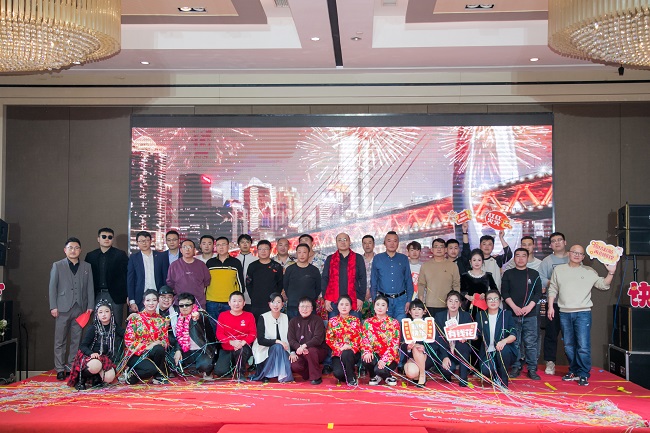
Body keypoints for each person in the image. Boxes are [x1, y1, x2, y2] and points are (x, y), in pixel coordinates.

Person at [547, 244, 616, 387]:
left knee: (583, 345)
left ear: (584, 257)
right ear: (569, 253)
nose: (577, 255)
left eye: (580, 254)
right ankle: (573, 370)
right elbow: (553, 288)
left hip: (583, 313)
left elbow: (603, 285)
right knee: (568, 345)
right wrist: (550, 307)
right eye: (574, 252)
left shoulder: (589, 271)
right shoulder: (559, 270)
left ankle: (583, 373)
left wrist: (611, 273)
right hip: (564, 312)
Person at [49, 237, 95, 381]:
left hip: (80, 308)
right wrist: (53, 306)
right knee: (60, 340)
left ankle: (71, 366)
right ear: (65, 250)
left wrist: (90, 306)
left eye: (76, 248)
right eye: (70, 248)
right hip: (62, 308)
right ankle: (59, 368)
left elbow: (90, 287)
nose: (73, 250)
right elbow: (52, 287)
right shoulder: (58, 265)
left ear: (80, 250)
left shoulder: (86, 266)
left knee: (77, 339)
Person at [502, 248, 542, 380]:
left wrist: (529, 307)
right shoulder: (508, 273)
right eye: (517, 256)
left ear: (527, 258)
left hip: (530, 314)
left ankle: (532, 368)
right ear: (514, 258)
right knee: (515, 342)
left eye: (523, 256)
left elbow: (538, 293)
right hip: (512, 313)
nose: (520, 258)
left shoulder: (534, 274)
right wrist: (514, 307)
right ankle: (516, 366)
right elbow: (505, 293)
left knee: (531, 343)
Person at [68, 299, 123, 390]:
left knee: (110, 377)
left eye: (106, 311)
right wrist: (91, 353)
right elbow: (82, 346)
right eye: (100, 312)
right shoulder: (93, 328)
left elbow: (127, 333)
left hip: (103, 357)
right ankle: (81, 379)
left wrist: (134, 319)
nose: (104, 314)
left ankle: (96, 378)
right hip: (89, 357)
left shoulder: (114, 327)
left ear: (111, 313)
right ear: (97, 315)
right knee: (96, 364)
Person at [538, 232, 569, 376]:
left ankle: (574, 363)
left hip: (571, 304)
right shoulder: (547, 261)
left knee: (571, 336)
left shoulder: (573, 257)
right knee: (551, 334)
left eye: (559, 240)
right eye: (554, 241)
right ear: (550, 245)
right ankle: (550, 362)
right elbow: (541, 279)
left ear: (565, 242)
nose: (557, 243)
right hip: (553, 303)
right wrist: (554, 282)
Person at [123, 289, 170, 384]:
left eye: (154, 300)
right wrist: (147, 347)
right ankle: (131, 372)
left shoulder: (161, 320)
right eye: (148, 300)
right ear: (144, 302)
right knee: (150, 369)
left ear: (157, 302)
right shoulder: (135, 318)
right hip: (135, 354)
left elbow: (165, 340)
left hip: (152, 354)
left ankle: (157, 376)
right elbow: (128, 341)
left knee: (159, 349)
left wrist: (159, 343)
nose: (151, 303)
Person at [85, 227, 129, 326]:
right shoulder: (90, 256)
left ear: (112, 239)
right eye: (104, 236)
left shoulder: (120, 255)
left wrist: (128, 294)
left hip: (115, 296)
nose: (107, 239)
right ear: (98, 239)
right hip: (97, 295)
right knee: (97, 325)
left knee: (116, 324)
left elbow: (127, 275)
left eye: (110, 237)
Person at [475, 290, 517, 388]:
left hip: (504, 351)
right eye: (490, 299)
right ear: (486, 301)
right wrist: (469, 335)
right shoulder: (480, 315)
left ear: (500, 300)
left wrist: (504, 341)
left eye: (495, 299)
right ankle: (495, 374)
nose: (493, 301)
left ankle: (503, 382)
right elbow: (477, 334)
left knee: (503, 351)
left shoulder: (506, 315)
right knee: (485, 371)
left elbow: (514, 335)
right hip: (488, 352)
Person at [371, 231, 414, 321]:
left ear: (398, 243)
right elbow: (374, 281)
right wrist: (375, 300)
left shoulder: (403, 258)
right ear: (384, 243)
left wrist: (408, 300)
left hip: (401, 301)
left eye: (395, 241)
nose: (392, 243)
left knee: (400, 324)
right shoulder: (378, 258)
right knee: (385, 326)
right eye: (389, 241)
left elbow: (408, 280)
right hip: (383, 300)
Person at [172, 292, 216, 380]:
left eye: (187, 305)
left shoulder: (198, 315)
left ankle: (199, 368)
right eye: (181, 305)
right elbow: (178, 337)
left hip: (202, 350)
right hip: (186, 351)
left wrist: (199, 315)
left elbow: (203, 318)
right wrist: (178, 350)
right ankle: (192, 367)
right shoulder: (178, 318)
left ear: (193, 305)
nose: (184, 307)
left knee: (204, 365)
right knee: (170, 358)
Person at [322, 233, 366, 318]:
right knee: (334, 326)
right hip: (333, 302)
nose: (342, 242)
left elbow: (363, 279)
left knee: (354, 326)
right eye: (340, 240)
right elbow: (324, 279)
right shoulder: (330, 259)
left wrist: (361, 298)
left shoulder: (358, 258)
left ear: (350, 242)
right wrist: (326, 298)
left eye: (345, 240)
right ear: (336, 243)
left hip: (354, 301)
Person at [214, 291, 257, 381]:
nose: (237, 303)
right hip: (227, 347)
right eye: (234, 301)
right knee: (220, 371)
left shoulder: (249, 316)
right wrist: (231, 342)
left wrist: (242, 342)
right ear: (229, 303)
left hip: (243, 347)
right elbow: (219, 334)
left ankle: (240, 373)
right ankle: (233, 367)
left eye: (239, 301)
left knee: (241, 351)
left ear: (244, 303)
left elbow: (253, 334)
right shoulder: (223, 315)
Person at [251, 293, 293, 383]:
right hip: (265, 350)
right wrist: (278, 341)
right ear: (269, 304)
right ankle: (272, 374)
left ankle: (280, 373)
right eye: (273, 302)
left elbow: (290, 337)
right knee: (277, 347)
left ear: (283, 304)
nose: (275, 305)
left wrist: (292, 351)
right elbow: (261, 340)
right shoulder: (263, 317)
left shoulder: (286, 317)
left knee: (281, 349)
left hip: (284, 349)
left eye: (278, 302)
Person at [434, 290, 472, 387]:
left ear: (460, 304)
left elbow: (475, 333)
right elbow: (438, 338)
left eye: (456, 301)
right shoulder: (439, 316)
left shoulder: (466, 316)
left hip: (460, 349)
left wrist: (466, 337)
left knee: (463, 345)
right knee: (448, 370)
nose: (453, 304)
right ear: (446, 303)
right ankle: (446, 374)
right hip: (445, 349)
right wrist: (444, 356)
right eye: (450, 301)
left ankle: (463, 378)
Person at [361, 295, 400, 386]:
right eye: (377, 304)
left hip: (390, 356)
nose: (380, 307)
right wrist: (367, 351)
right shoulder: (368, 322)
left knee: (380, 369)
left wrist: (384, 359)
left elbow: (394, 344)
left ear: (387, 308)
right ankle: (375, 376)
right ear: (374, 307)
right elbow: (364, 340)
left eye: (383, 305)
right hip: (375, 355)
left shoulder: (394, 323)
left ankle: (385, 376)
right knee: (366, 359)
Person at [288, 297, 327, 384]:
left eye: (307, 306)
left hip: (317, 350)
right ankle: (312, 371)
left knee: (311, 351)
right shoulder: (293, 321)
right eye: (302, 306)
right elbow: (291, 339)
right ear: (298, 308)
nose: (304, 309)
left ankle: (316, 377)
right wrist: (299, 348)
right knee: (295, 365)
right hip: (300, 351)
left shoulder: (317, 320)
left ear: (312, 308)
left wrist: (304, 346)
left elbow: (318, 339)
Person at [418, 238, 461, 317]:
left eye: (441, 247)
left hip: (448, 305)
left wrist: (456, 302)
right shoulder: (425, 266)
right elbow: (421, 285)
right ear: (432, 250)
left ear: (445, 249)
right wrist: (421, 303)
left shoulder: (453, 266)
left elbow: (456, 285)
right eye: (436, 247)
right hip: (430, 305)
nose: (439, 249)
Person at [205, 236, 245, 322]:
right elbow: (205, 282)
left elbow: (240, 283)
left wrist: (238, 300)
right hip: (212, 302)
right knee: (213, 328)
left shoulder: (235, 262)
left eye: (223, 244)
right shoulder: (210, 263)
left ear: (228, 246)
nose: (221, 247)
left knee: (230, 326)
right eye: (218, 245)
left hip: (229, 303)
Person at [326, 295, 363, 386]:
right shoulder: (332, 321)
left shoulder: (356, 321)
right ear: (338, 306)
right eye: (341, 304)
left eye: (347, 305)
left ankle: (351, 378)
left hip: (352, 352)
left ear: (350, 307)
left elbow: (360, 338)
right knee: (338, 374)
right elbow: (329, 339)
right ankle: (349, 372)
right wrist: (340, 347)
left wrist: (350, 346)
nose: (344, 307)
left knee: (347, 353)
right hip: (338, 353)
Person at [127, 231, 167, 312]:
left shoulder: (161, 256)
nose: (144, 243)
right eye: (141, 241)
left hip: (158, 296)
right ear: (137, 242)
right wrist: (132, 301)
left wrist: (165, 296)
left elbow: (165, 277)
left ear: (151, 241)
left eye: (147, 240)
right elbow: (130, 280)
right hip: (140, 298)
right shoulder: (134, 258)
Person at [166, 239, 211, 308]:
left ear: (194, 250)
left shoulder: (201, 265)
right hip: (180, 303)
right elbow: (170, 283)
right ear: (181, 250)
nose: (187, 250)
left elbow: (207, 281)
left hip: (198, 303)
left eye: (190, 247)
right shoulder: (174, 265)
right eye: (184, 247)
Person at [246, 240, 284, 320]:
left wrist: (274, 298)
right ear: (257, 250)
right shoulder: (252, 266)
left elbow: (280, 284)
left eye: (266, 249)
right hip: (256, 303)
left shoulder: (276, 266)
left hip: (272, 304)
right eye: (260, 249)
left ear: (270, 250)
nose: (263, 251)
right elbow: (248, 283)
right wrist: (253, 297)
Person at [283, 243, 321, 319]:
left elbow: (318, 288)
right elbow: (285, 286)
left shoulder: (314, 270)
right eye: (299, 252)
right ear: (296, 254)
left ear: (309, 254)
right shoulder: (290, 269)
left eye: (304, 252)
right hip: (293, 306)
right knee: (293, 326)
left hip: (309, 307)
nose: (302, 255)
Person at [402, 299, 434, 387]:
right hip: (412, 357)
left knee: (417, 348)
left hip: (427, 357)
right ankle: (419, 375)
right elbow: (402, 346)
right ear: (409, 312)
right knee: (411, 373)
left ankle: (422, 376)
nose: (416, 312)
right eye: (414, 309)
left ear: (424, 311)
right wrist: (408, 347)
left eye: (419, 309)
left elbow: (436, 345)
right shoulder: (406, 325)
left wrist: (425, 348)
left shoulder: (429, 324)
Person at [236, 234, 258, 310]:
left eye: (247, 242)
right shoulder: (234, 260)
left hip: (252, 296)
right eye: (242, 242)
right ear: (239, 245)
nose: (245, 244)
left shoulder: (256, 260)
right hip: (237, 296)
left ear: (250, 244)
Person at [361, 235, 376, 302]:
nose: (367, 245)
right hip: (362, 297)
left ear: (373, 244)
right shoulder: (358, 260)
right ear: (362, 245)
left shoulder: (379, 259)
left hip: (377, 297)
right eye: (365, 243)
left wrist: (371, 291)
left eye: (370, 243)